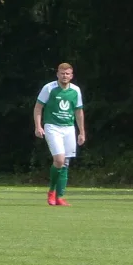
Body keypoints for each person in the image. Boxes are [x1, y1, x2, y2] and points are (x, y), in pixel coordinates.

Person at [33, 63, 86, 206]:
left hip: (68, 128)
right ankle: (51, 191)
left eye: (67, 73)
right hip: (52, 126)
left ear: (72, 75)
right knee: (59, 160)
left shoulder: (75, 90)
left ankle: (59, 196)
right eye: (62, 73)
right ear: (57, 74)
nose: (65, 76)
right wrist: (38, 126)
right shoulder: (49, 88)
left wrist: (82, 132)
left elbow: (78, 111)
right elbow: (38, 107)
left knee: (66, 163)